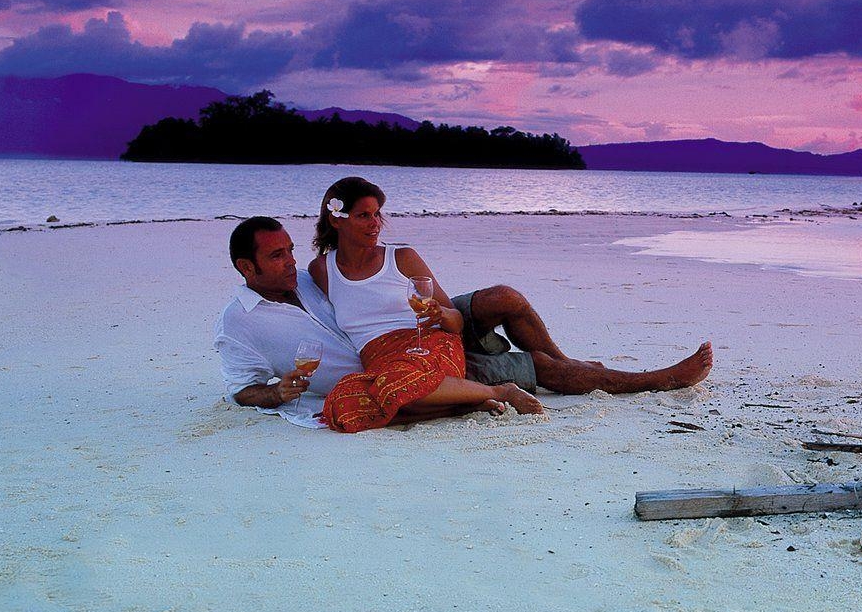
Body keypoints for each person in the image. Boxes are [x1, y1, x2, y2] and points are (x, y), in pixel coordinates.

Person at [310, 176, 713, 433]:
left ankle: (651, 378)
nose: (376, 224)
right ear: (337, 219)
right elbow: (278, 293)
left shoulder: (402, 258)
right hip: (390, 356)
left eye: (378, 214)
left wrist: (439, 314)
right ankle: (493, 392)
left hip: (432, 336)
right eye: (364, 216)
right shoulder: (320, 271)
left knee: (506, 298)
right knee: (359, 401)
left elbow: (451, 319)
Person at [214, 216, 487, 429]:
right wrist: (276, 392)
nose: (290, 261)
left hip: (409, 350)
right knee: (350, 408)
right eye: (277, 255)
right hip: (374, 381)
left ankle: (477, 392)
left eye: (290, 250)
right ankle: (471, 400)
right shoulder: (238, 321)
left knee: (501, 305)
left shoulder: (309, 279)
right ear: (247, 267)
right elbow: (241, 390)